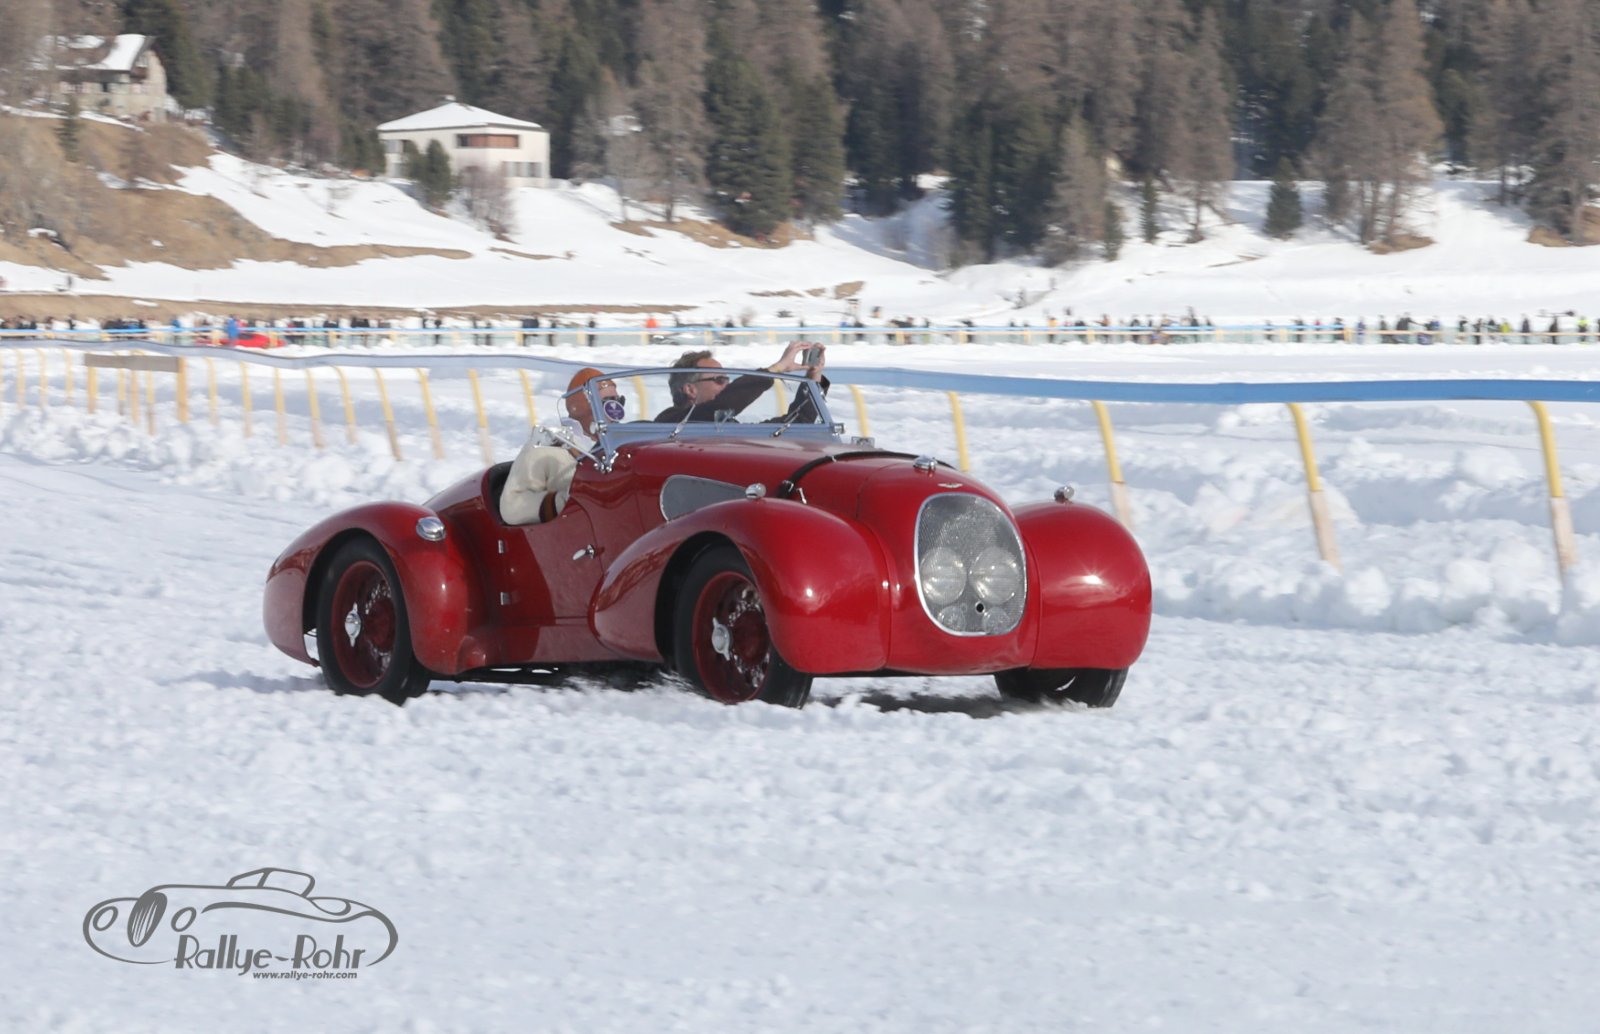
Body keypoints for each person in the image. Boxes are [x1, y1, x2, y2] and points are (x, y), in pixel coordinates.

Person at [500, 367, 623, 525]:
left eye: (619, 401)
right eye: (608, 402)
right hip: (572, 533)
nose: (616, 408)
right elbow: (511, 506)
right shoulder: (547, 445)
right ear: (582, 404)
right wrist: (563, 502)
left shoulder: (622, 446)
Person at [655, 341, 828, 424]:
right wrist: (777, 368)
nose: (727, 385)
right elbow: (725, 403)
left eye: (727, 379)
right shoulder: (671, 422)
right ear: (690, 389)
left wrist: (813, 376)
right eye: (719, 379)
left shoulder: (726, 426)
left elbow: (798, 423)